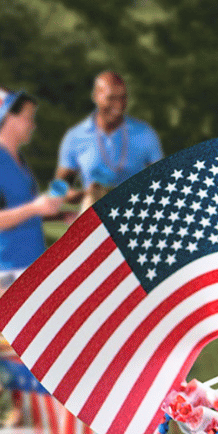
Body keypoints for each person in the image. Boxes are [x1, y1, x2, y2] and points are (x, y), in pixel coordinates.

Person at [55, 71, 162, 212]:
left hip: (136, 218)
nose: (118, 105)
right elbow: (59, 187)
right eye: (111, 98)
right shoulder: (76, 136)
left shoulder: (145, 133)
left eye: (123, 98)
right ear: (96, 96)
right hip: (93, 218)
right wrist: (84, 195)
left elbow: (162, 181)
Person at [0, 90, 65, 288]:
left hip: (31, 268)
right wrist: (35, 208)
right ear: (9, 117)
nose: (33, 125)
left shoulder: (19, 160)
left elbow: (19, 210)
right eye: (28, 118)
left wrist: (57, 216)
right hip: (7, 274)